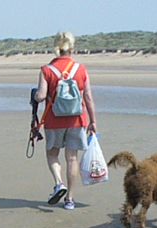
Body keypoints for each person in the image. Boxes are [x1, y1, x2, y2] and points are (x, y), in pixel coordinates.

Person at [34, 32, 97, 210]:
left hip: (54, 121)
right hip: (77, 120)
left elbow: (41, 96)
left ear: (56, 48)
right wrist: (93, 121)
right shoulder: (81, 69)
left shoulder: (46, 70)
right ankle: (69, 199)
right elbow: (88, 98)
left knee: (52, 154)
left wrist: (35, 96)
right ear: (72, 48)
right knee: (72, 158)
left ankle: (58, 183)